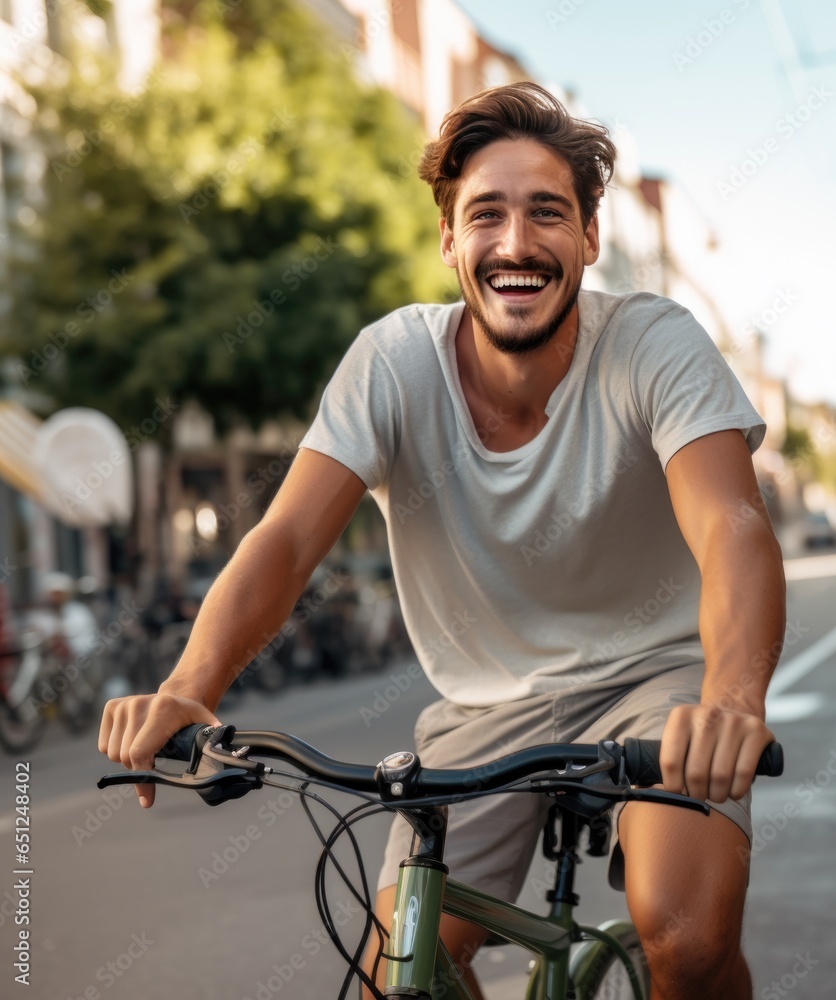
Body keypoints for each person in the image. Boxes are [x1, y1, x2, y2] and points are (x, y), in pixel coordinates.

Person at [98, 82, 786, 1000]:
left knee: (687, 936)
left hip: (658, 682)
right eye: (485, 215)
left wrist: (734, 697)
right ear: (449, 239)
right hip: (483, 711)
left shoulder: (653, 345)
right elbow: (286, 540)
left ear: (588, 237)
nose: (515, 243)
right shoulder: (392, 363)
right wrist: (190, 687)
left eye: (548, 213)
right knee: (401, 970)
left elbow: (731, 525)